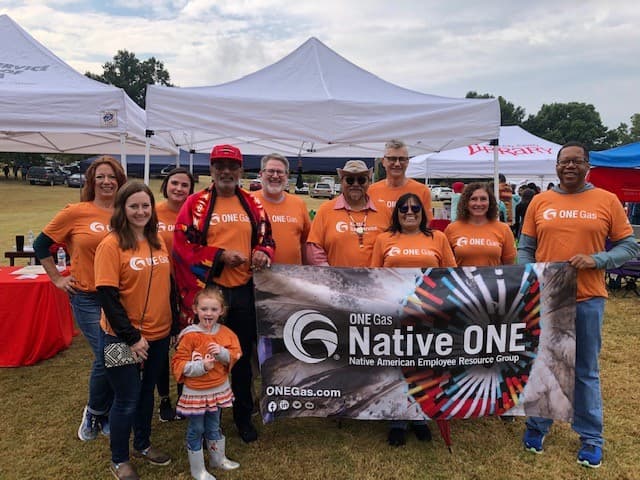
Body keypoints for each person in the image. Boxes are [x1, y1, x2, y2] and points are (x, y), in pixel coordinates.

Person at [518, 141, 638, 469]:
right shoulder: (540, 202)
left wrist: (598, 259)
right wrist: (530, 274)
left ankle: (590, 437)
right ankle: (537, 425)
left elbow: (629, 247)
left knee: (585, 370)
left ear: (587, 165)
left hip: (588, 297)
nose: (569, 166)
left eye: (576, 161)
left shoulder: (606, 201)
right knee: (546, 364)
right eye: (563, 162)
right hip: (549, 298)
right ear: (556, 166)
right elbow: (526, 247)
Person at [173, 144, 275, 443]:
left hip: (243, 292)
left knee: (240, 358)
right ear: (212, 169)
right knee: (202, 354)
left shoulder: (252, 204)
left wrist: (261, 252)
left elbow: (267, 238)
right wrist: (218, 256)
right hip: (209, 294)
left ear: (241, 170)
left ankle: (243, 417)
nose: (226, 171)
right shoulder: (196, 204)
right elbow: (181, 247)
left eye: (232, 166)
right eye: (220, 165)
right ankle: (200, 417)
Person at [33, 155, 126, 441]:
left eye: (112, 176)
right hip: (88, 296)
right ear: (91, 181)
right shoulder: (76, 212)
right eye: (100, 176)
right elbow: (41, 244)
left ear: (120, 181)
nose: (107, 181)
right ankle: (95, 412)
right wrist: (57, 278)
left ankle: (105, 412)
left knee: (119, 356)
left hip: (121, 297)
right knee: (106, 354)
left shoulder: (126, 213)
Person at [95, 181, 173, 480]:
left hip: (159, 334)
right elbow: (107, 296)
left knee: (146, 395)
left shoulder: (158, 240)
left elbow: (168, 286)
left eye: (145, 206)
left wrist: (173, 323)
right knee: (126, 397)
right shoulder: (110, 244)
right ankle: (119, 459)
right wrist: (132, 337)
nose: (141, 211)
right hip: (118, 336)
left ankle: (143, 444)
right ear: (122, 209)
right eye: (134, 206)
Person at [370, 193, 456, 446]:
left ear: (423, 212)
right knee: (397, 366)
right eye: (404, 208)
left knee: (425, 366)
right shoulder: (384, 239)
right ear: (396, 212)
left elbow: (450, 273)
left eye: (415, 208)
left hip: (430, 313)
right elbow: (373, 276)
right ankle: (397, 419)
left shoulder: (437, 238)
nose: (410, 212)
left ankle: (419, 417)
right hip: (394, 312)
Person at [172, 286, 242, 480]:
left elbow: (235, 355)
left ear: (221, 311)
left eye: (213, 309)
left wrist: (222, 353)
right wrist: (201, 366)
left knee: (214, 425)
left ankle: (217, 458)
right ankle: (198, 469)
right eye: (204, 309)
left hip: (218, 390)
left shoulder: (226, 334)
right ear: (195, 309)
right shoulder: (189, 336)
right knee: (197, 428)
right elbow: (178, 364)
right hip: (196, 393)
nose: (208, 313)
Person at [155, 167, 196, 422]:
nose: (179, 189)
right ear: (166, 185)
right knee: (160, 345)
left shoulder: (195, 214)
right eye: (175, 184)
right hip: (159, 286)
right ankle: (163, 400)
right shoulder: (152, 212)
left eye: (185, 185)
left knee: (186, 344)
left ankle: (184, 395)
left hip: (188, 287)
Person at [306, 160, 389, 267]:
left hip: (376, 281)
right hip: (337, 281)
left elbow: (393, 246)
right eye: (350, 180)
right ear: (341, 181)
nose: (355, 184)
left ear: (369, 182)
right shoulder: (325, 210)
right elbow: (314, 248)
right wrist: (330, 275)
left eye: (361, 180)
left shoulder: (384, 211)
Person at [252, 153, 311, 264]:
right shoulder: (249, 202)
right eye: (270, 171)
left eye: (280, 172)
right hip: (256, 277)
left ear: (287, 175)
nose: (275, 176)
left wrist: (307, 271)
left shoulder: (299, 204)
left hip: (292, 277)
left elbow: (305, 243)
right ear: (261, 174)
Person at [444, 182, 516, 267]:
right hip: (461, 280)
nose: (478, 204)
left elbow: (509, 267)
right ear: (466, 202)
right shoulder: (452, 229)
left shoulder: (503, 229)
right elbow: (445, 265)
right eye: (473, 199)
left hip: (493, 280)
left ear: (490, 202)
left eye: (483, 199)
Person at [368, 139, 432, 222]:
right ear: (383, 162)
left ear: (407, 162)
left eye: (401, 159)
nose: (397, 164)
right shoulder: (371, 191)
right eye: (392, 159)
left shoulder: (422, 190)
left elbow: (427, 223)